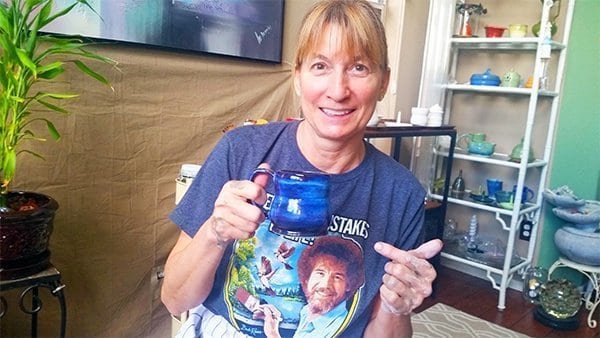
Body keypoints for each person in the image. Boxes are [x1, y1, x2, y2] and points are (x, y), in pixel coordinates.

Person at [161, 0, 443, 337]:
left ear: (383, 81)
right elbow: (174, 301)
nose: (338, 91)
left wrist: (398, 307)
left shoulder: (401, 194)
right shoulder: (241, 150)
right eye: (321, 66)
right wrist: (214, 233)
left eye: (359, 68)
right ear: (298, 77)